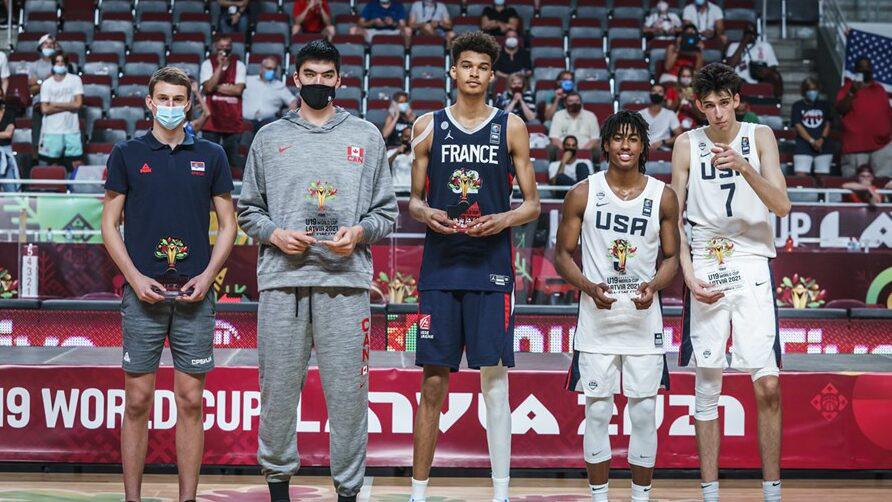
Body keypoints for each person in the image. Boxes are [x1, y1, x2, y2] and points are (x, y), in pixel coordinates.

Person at [237, 39, 398, 502]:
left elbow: (386, 213)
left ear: (339, 80)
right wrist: (274, 234)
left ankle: (348, 492)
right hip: (283, 281)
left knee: (349, 397)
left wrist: (360, 233)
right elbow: (248, 210)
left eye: (327, 75)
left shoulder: (366, 136)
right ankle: (278, 491)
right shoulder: (269, 138)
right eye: (310, 74)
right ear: (297, 78)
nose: (319, 82)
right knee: (277, 394)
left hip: (344, 283)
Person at [408, 31, 540, 502]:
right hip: (441, 268)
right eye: (466, 65)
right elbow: (414, 201)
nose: (474, 73)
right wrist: (426, 213)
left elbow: (533, 204)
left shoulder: (511, 127)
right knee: (432, 384)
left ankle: (500, 493)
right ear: (453, 70)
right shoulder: (427, 125)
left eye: (483, 67)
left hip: (491, 269)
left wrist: (503, 218)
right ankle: (418, 493)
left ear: (491, 75)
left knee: (495, 383)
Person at [101, 66, 237, 502]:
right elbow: (108, 224)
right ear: (150, 102)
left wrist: (208, 276)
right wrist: (134, 277)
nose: (171, 107)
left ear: (190, 104)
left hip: (195, 295)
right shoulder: (126, 154)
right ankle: (132, 499)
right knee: (137, 399)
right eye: (164, 99)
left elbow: (229, 225)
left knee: (191, 400)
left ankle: (188, 499)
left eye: (179, 100)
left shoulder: (212, 156)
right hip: (142, 295)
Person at [670, 63, 790, 502]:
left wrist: (744, 167)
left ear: (737, 100)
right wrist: (686, 273)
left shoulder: (760, 137)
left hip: (752, 259)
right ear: (699, 107)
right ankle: (710, 494)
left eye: (725, 103)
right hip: (706, 260)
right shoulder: (686, 144)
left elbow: (782, 206)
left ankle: (772, 492)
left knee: (768, 384)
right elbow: (673, 218)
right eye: (710, 106)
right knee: (707, 386)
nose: (718, 113)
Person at [556, 111, 680, 502]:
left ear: (643, 147)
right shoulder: (582, 193)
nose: (625, 146)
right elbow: (562, 256)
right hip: (597, 322)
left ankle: (641, 497)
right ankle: (599, 497)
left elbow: (672, 258)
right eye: (618, 138)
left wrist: (654, 286)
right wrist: (588, 287)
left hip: (644, 322)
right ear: (606, 144)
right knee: (597, 412)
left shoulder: (663, 195)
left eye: (633, 139)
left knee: (643, 414)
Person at [835, 56, 892, 177]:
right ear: (856, 70)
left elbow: (888, 113)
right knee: (857, 182)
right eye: (861, 68)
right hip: (856, 146)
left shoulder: (879, 89)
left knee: (884, 182)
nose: (865, 70)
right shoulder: (847, 88)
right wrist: (852, 92)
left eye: (867, 67)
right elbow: (840, 109)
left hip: (882, 146)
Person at [201, 36, 247, 168]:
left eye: (227, 47)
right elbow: (208, 88)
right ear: (216, 47)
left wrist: (215, 87)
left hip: (233, 120)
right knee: (209, 159)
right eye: (221, 47)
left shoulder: (239, 65)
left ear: (231, 48)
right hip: (211, 120)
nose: (224, 50)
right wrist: (220, 66)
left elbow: (238, 90)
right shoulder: (207, 64)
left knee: (230, 161)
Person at [38, 51, 83, 172]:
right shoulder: (46, 84)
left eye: (62, 61)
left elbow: (78, 104)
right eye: (57, 61)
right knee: (53, 166)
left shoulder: (75, 80)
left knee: (76, 164)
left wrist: (54, 104)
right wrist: (69, 105)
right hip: (51, 130)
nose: (60, 64)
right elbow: (44, 109)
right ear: (53, 64)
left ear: (66, 64)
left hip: (71, 129)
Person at [724, 22, 783, 98]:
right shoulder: (733, 46)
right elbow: (730, 66)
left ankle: (777, 102)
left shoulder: (765, 46)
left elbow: (773, 65)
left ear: (756, 34)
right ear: (743, 33)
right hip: (740, 79)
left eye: (752, 32)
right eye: (748, 32)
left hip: (759, 77)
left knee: (776, 76)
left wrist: (766, 71)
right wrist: (744, 42)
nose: (750, 35)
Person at [242, 56, 298, 132]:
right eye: (269, 68)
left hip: (268, 122)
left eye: (274, 69)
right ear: (261, 68)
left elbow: (293, 101)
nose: (272, 71)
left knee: (274, 126)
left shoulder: (279, 85)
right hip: (246, 120)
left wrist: (289, 112)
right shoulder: (247, 80)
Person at [791, 77, 832, 175]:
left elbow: (828, 124)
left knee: (823, 178)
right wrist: (812, 141)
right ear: (804, 91)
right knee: (801, 178)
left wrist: (821, 139)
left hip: (823, 146)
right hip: (803, 146)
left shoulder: (825, 105)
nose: (812, 92)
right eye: (810, 89)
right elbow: (797, 125)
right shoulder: (797, 106)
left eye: (815, 89)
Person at [549, 91, 601, 160]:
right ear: (565, 103)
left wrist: (582, 152)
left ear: (581, 103)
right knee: (551, 147)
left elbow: (595, 139)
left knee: (599, 147)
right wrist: (566, 151)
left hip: (586, 149)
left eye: (577, 101)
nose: (574, 103)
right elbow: (554, 138)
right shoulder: (558, 115)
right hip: (563, 149)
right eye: (570, 101)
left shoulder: (590, 116)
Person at [641, 83, 682, 151]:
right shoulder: (640, 114)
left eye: (660, 91)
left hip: (664, 150)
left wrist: (663, 142)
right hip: (644, 151)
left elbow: (679, 135)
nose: (656, 94)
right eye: (654, 91)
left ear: (665, 96)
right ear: (650, 94)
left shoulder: (670, 114)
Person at [665, 65, 703, 130]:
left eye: (688, 76)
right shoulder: (672, 90)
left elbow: (701, 116)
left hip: (693, 126)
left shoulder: (696, 93)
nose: (686, 79)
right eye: (683, 76)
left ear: (692, 78)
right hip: (675, 126)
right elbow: (668, 111)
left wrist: (692, 102)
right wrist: (678, 100)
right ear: (679, 77)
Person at [0, 95, 19, 191]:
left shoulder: (9, 113)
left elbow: (8, 134)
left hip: (6, 156)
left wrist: (5, 134)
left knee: (12, 193)